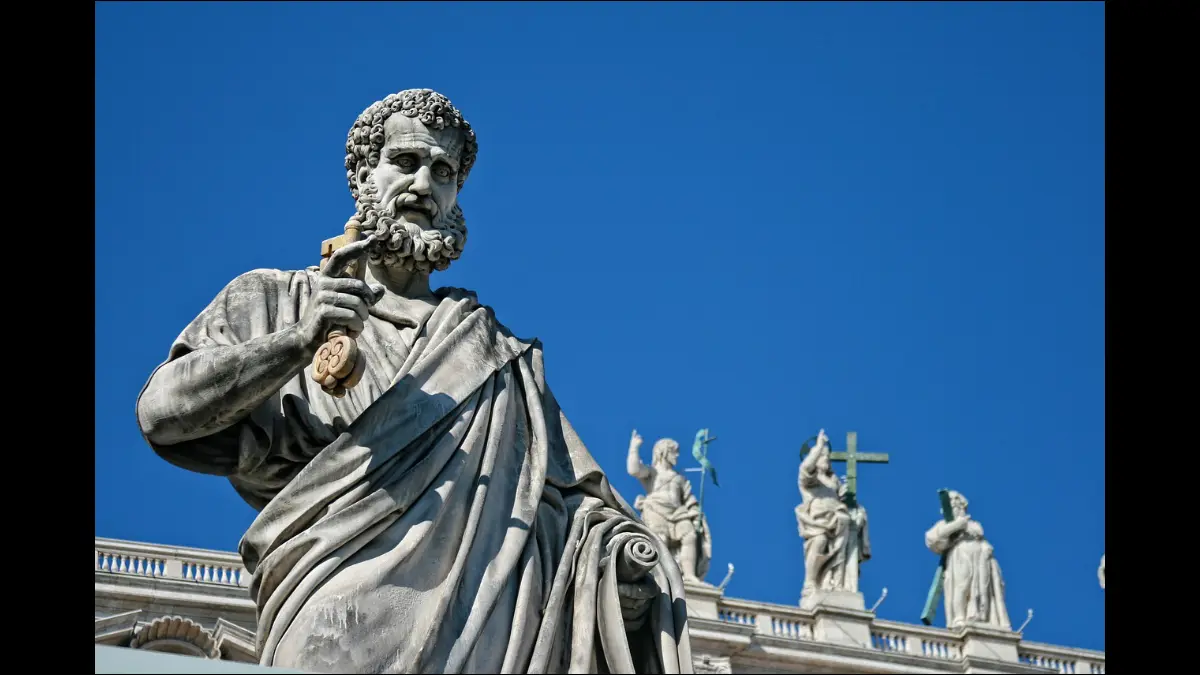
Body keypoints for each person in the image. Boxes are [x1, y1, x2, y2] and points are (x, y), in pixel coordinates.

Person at [136, 88, 693, 674]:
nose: (425, 185)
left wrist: (618, 567)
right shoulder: (279, 297)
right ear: (362, 175)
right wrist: (297, 342)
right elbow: (162, 413)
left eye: (444, 172)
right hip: (331, 610)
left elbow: (571, 510)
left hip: (486, 631)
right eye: (406, 162)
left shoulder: (496, 355)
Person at [627, 430, 713, 584]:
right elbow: (634, 470)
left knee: (690, 535)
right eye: (674, 452)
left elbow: (689, 499)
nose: (677, 456)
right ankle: (660, 576)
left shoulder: (679, 478)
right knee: (660, 539)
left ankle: (689, 575)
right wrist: (634, 447)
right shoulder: (652, 472)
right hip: (655, 510)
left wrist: (695, 512)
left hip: (679, 513)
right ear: (664, 452)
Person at [795, 429, 870, 601]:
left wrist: (847, 500)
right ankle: (810, 582)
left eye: (828, 457)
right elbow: (805, 468)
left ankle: (835, 582)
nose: (827, 460)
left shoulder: (834, 481)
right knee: (820, 541)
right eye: (823, 457)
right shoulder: (809, 481)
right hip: (818, 522)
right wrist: (818, 447)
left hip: (838, 521)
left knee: (840, 553)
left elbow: (843, 500)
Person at [924, 490, 1011, 630]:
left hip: (980, 558)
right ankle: (959, 617)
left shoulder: (973, 523)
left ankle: (980, 616)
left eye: (958, 505)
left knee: (980, 590)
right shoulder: (945, 524)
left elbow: (978, 533)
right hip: (960, 555)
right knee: (961, 586)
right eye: (953, 506)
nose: (956, 508)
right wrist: (957, 525)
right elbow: (931, 539)